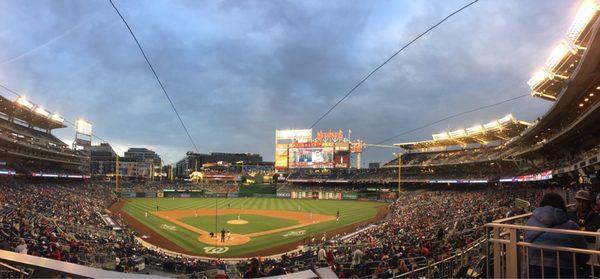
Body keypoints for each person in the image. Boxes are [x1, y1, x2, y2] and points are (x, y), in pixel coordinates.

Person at [525, 192, 587, 278]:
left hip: (535, 271)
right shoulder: (571, 226)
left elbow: (527, 246)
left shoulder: (530, 223)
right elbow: (584, 255)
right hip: (566, 272)